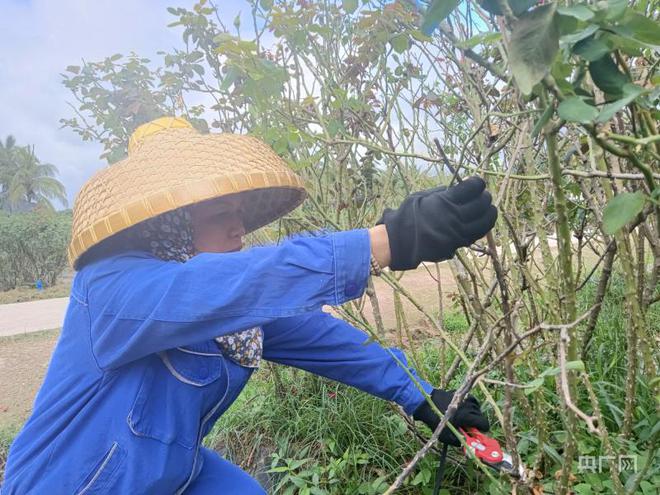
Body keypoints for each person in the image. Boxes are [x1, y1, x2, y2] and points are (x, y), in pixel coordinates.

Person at [1, 117, 497, 494]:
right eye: (221, 214)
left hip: (173, 473)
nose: (239, 228)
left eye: (239, 214)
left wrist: (425, 397)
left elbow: (327, 340)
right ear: (170, 222)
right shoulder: (112, 288)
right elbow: (222, 286)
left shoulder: (237, 313)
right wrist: (384, 242)